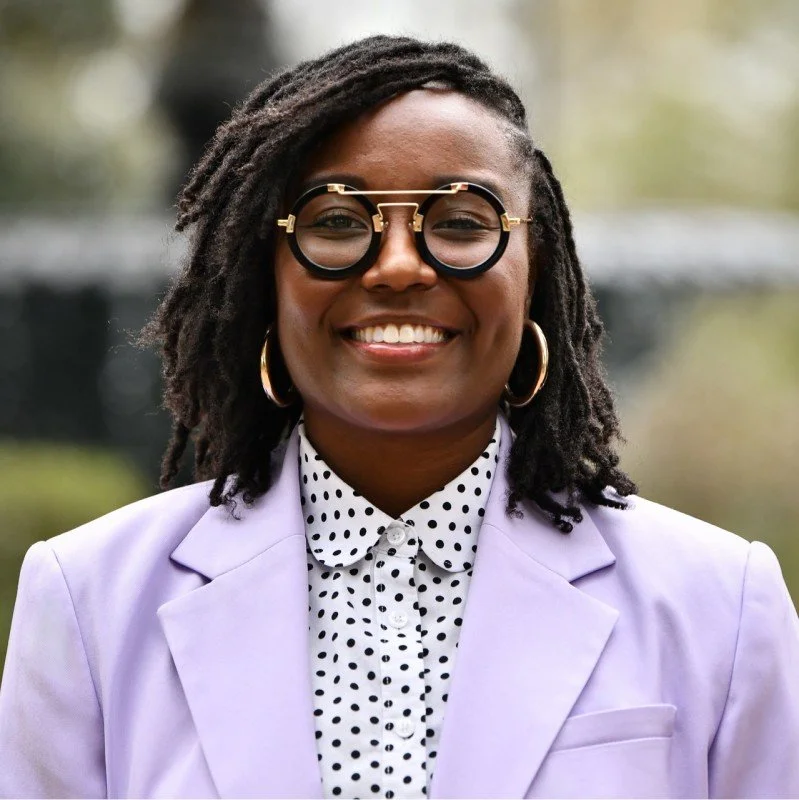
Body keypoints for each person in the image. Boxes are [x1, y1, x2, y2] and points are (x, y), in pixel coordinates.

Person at [1, 35, 797, 800]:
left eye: (459, 222)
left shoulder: (718, 604)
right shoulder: (88, 601)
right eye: (338, 221)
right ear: (263, 274)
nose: (397, 266)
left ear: (535, 270)